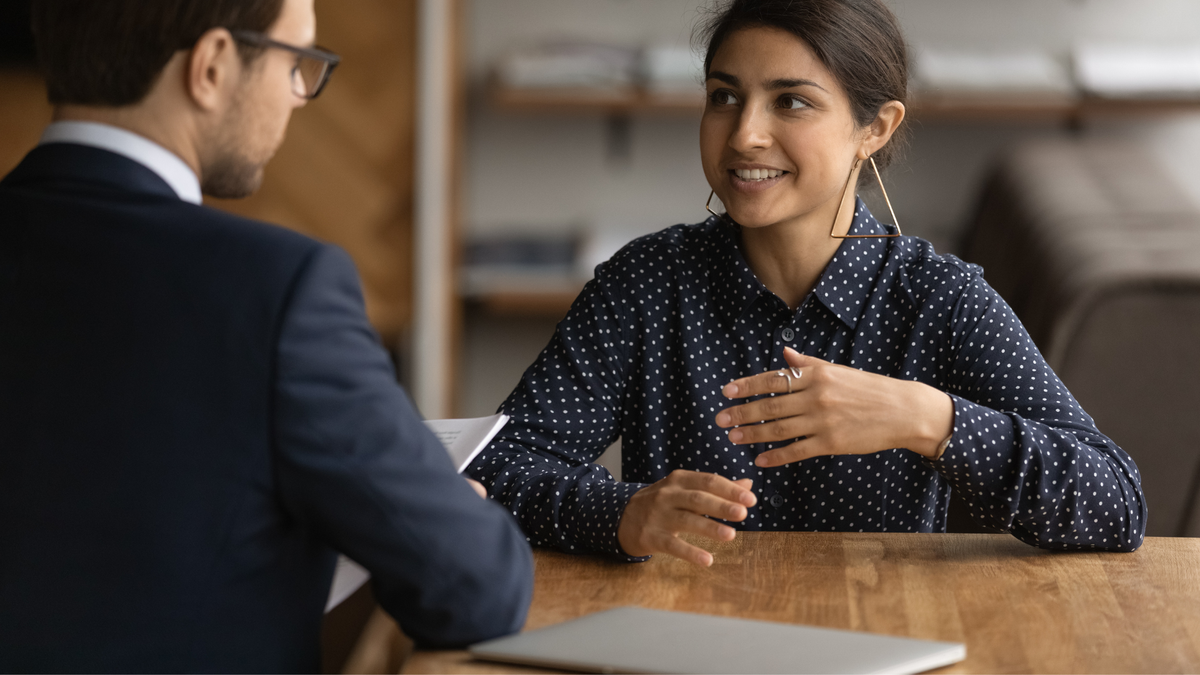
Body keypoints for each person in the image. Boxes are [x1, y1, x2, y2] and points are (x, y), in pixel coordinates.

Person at [468, 0, 1146, 567]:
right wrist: (621, 514)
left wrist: (924, 418)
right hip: (685, 641)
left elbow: (1116, 501)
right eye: (724, 97)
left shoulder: (940, 300)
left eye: (790, 101)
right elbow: (495, 468)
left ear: (873, 129)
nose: (746, 134)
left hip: (880, 642)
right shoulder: (645, 285)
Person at [0, 0, 531, 671]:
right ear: (214, 65)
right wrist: (448, 508)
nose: (300, 97)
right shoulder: (279, 288)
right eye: (296, 62)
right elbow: (478, 587)